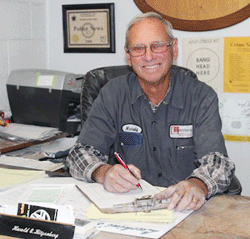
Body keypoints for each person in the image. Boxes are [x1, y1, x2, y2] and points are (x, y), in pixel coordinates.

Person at [66, 12, 235, 212]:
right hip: (129, 206)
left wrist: (198, 184)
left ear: (174, 49)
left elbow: (219, 163)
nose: (148, 56)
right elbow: (78, 154)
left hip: (183, 207)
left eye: (158, 45)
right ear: (128, 56)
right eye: (138, 48)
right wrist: (103, 172)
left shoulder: (201, 96)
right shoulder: (112, 94)